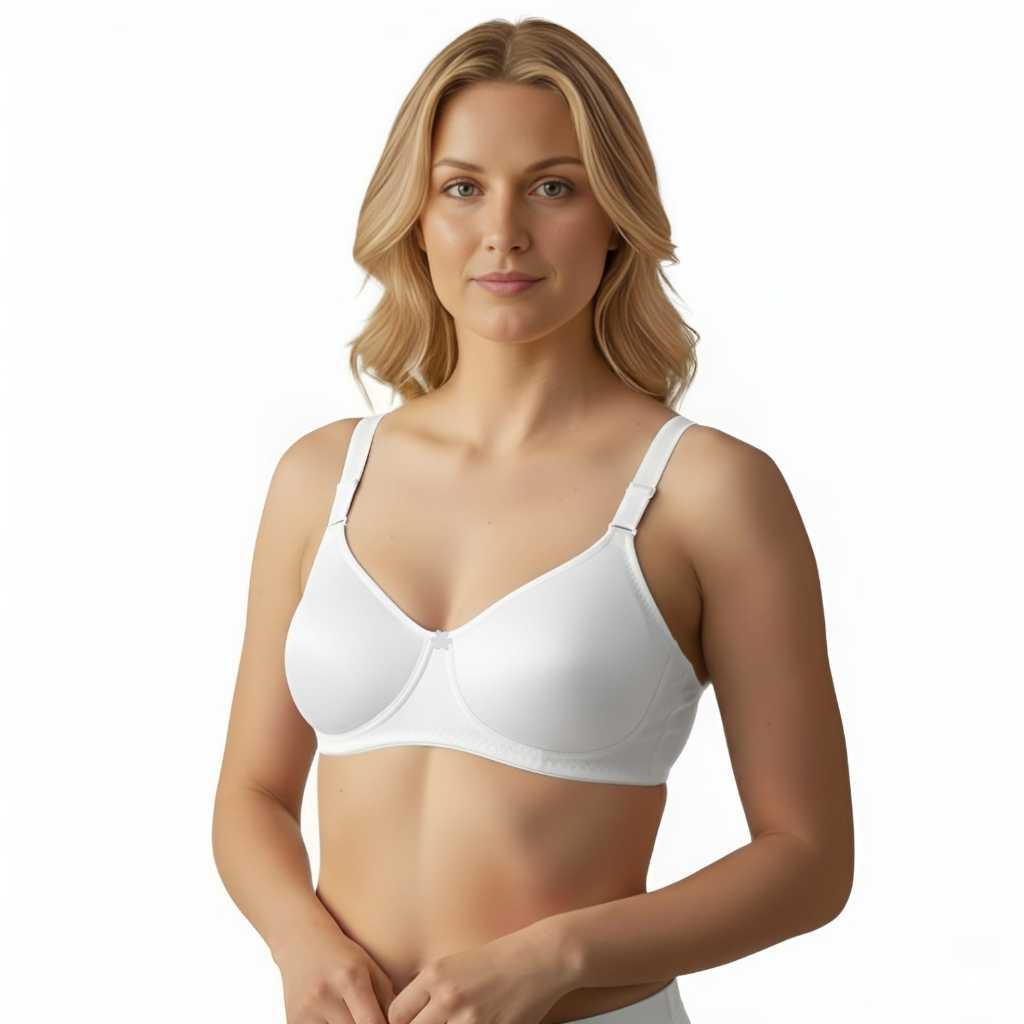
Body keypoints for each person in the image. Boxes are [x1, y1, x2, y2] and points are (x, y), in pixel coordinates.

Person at [212, 17, 854, 1024]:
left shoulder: (708, 492)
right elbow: (251, 793)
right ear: (415, 216)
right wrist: (303, 943)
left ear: (615, 217)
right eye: (462, 187)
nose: (503, 231)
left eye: (554, 187)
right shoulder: (322, 476)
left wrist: (557, 956)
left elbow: (808, 861)